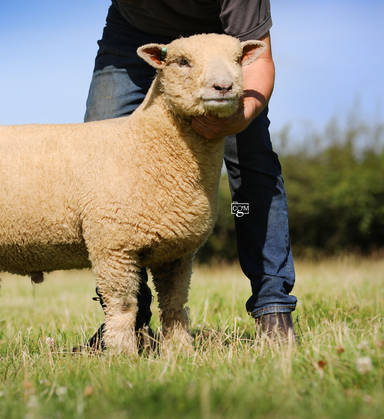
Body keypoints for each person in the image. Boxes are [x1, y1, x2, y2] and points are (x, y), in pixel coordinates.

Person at [80, 0, 297, 350]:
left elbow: (262, 58)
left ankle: (273, 304)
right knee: (102, 156)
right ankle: (127, 322)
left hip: (221, 43)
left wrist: (242, 116)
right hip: (132, 32)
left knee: (249, 163)